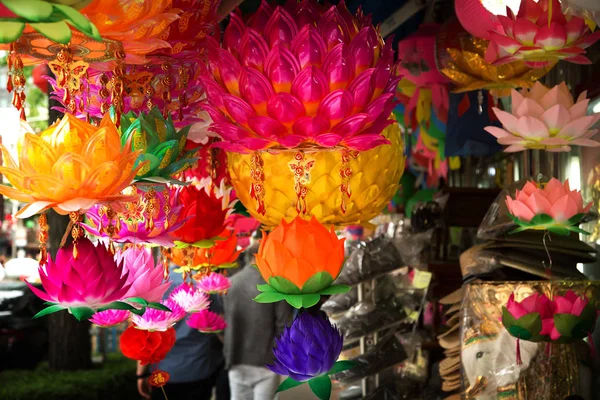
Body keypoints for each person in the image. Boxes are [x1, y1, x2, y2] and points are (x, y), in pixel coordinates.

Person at [137, 268, 229, 400]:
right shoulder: (206, 281)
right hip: (198, 368)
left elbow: (146, 334)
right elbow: (219, 324)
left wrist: (140, 374)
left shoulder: (156, 283)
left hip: (162, 370)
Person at [223, 237, 293, 400]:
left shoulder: (230, 284)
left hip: (236, 358)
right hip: (267, 360)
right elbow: (284, 327)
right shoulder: (276, 287)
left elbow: (224, 322)